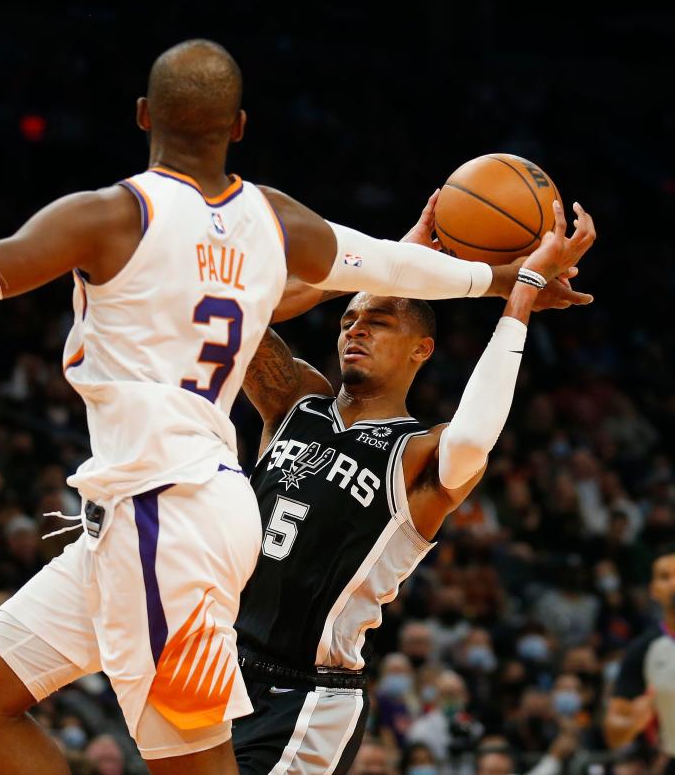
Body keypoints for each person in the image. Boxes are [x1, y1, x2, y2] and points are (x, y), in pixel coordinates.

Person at [0, 39, 588, 775]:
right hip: (142, 511)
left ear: (142, 114)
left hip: (168, 517)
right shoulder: (271, 219)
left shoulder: (109, 217)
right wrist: (508, 280)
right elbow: (386, 270)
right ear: (239, 130)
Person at [231, 202, 596, 773]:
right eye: (350, 319)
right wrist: (378, 265)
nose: (356, 329)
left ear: (421, 349)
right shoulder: (294, 401)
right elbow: (232, 310)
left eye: (378, 321)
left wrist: (519, 295)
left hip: (307, 695)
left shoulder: (418, 456)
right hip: (218, 665)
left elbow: (475, 437)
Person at [604, 545, 675, 772]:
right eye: (665, 577)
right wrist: (632, 721)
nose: (674, 583)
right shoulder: (643, 650)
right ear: (653, 590)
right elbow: (613, 734)